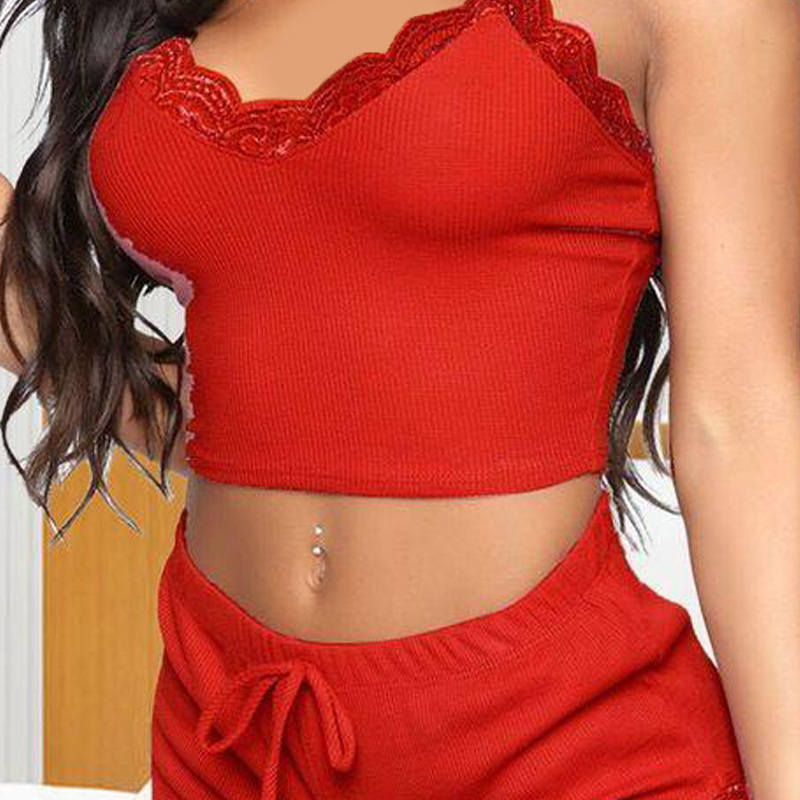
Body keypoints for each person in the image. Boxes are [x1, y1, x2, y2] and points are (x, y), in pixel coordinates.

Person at [1, 0, 798, 797]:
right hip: (230, 726)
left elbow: (740, 424)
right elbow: (251, 417)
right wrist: (34, 315)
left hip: (556, 737)